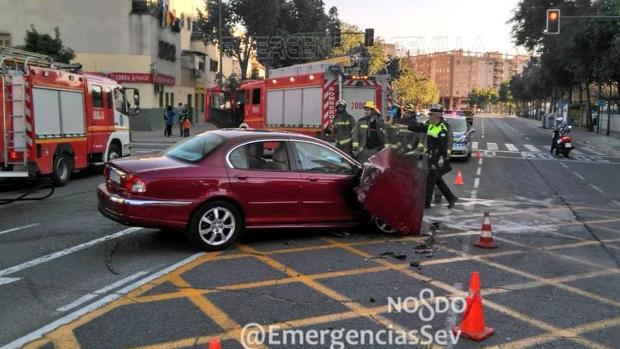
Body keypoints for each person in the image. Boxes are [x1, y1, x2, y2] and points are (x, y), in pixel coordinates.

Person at [409, 111, 458, 209]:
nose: (429, 117)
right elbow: (420, 129)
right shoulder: (431, 126)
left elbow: (443, 147)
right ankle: (451, 198)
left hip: (437, 158)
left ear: (437, 117)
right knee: (436, 180)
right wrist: (407, 127)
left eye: (431, 116)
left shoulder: (442, 129)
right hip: (430, 157)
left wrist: (438, 160)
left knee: (431, 180)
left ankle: (426, 204)